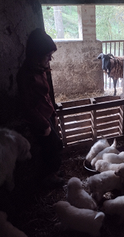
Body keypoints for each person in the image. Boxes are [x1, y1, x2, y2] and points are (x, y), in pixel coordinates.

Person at [17, 28, 64, 188]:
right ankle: (48, 177)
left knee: (55, 145)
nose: (50, 59)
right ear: (36, 54)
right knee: (50, 147)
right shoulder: (25, 76)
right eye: (47, 55)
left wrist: (53, 111)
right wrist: (43, 124)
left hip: (47, 114)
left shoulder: (40, 70)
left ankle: (54, 171)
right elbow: (27, 106)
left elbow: (45, 95)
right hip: (39, 119)